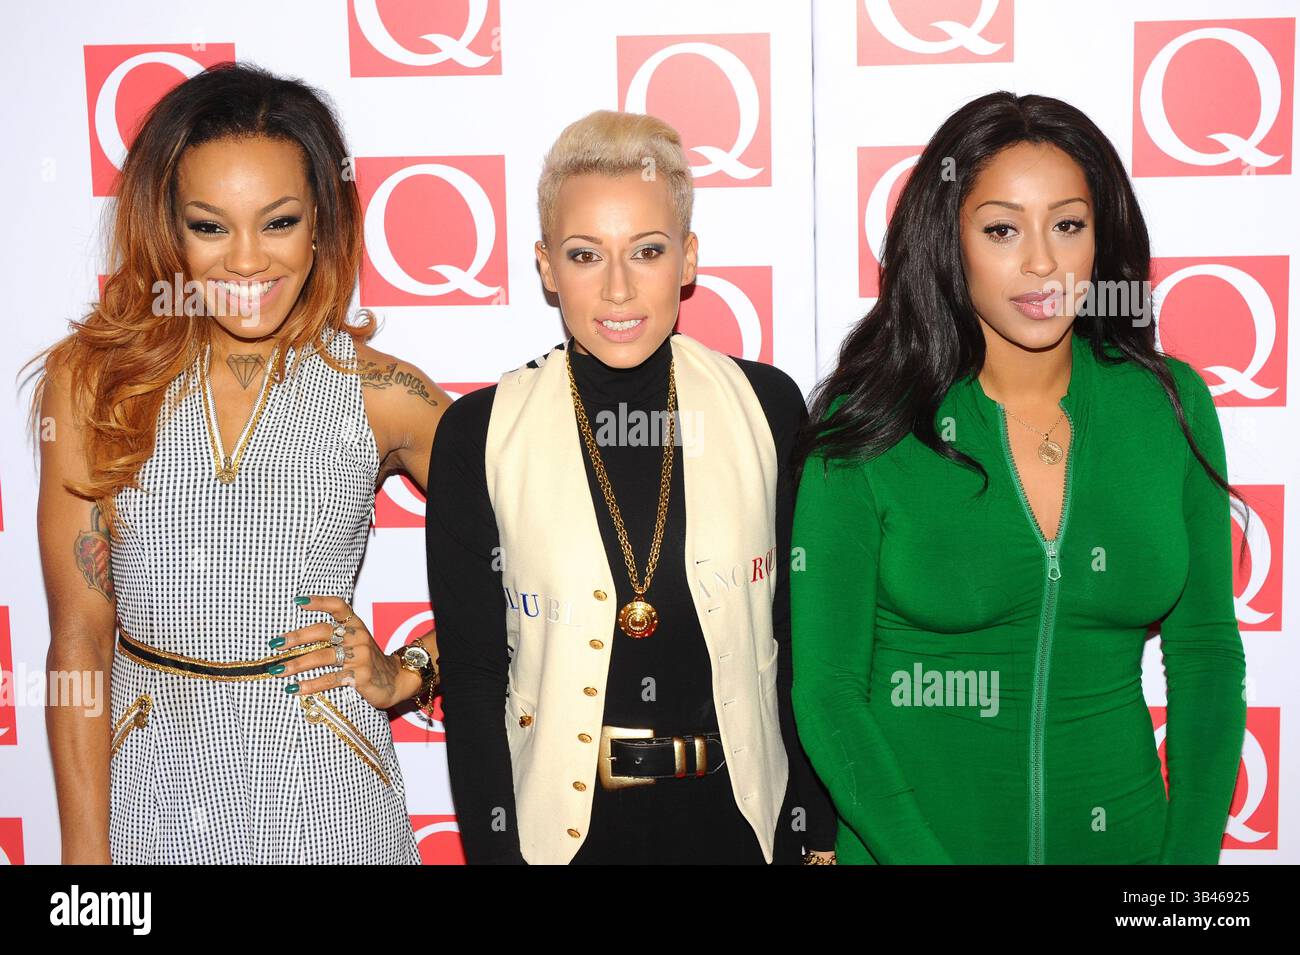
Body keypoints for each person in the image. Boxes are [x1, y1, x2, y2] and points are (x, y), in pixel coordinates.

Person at [790, 91, 1248, 864]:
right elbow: (828, 693)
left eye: (1068, 225)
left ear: (1101, 240)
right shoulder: (870, 420)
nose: (1042, 261)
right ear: (949, 240)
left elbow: (1206, 655)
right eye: (1002, 229)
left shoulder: (1169, 405)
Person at [30, 62, 449, 864]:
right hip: (152, 785)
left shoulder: (379, 392)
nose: (248, 262)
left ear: (323, 222)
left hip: (331, 788)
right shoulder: (90, 381)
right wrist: (84, 855)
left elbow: (536, 555)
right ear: (167, 228)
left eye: (280, 221)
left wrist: (413, 671)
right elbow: (79, 636)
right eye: (211, 226)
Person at [427, 110, 836, 864]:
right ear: (547, 267)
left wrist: (812, 832)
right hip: (566, 840)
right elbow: (477, 678)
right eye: (586, 255)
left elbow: (798, 640)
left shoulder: (767, 406)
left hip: (741, 827)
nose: (617, 288)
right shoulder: (478, 433)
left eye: (646, 251)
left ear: (688, 258)